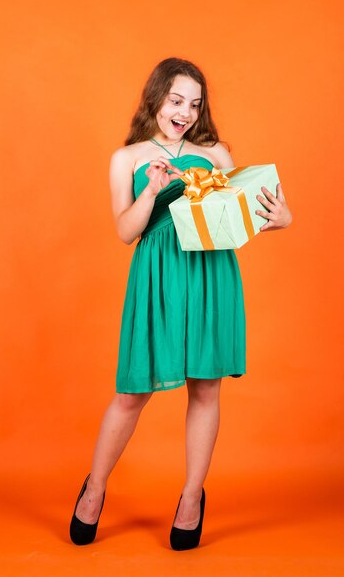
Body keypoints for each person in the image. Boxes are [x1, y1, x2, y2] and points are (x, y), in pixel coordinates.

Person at [69, 57, 292, 550]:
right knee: (132, 393)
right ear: (156, 98)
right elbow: (126, 233)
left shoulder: (214, 152)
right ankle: (96, 486)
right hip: (158, 276)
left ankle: (191, 497)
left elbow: (243, 208)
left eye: (194, 104)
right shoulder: (125, 159)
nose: (186, 112)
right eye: (176, 101)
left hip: (211, 272)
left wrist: (279, 216)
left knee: (206, 390)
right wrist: (150, 189)